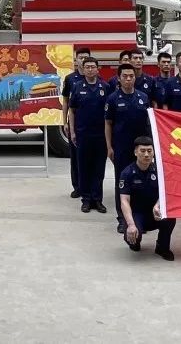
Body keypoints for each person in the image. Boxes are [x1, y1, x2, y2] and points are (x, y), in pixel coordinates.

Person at [104, 63, 152, 234]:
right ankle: (122, 219)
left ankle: (139, 218)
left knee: (142, 182)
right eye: (125, 76)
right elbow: (108, 124)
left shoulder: (143, 97)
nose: (128, 79)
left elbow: (148, 123)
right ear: (119, 78)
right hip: (121, 148)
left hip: (141, 149)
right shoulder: (112, 99)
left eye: (131, 76)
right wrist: (109, 147)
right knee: (122, 182)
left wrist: (150, 147)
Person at [119, 136, 176, 261]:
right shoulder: (127, 173)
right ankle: (134, 241)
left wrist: (158, 205)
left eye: (149, 151)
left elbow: (165, 192)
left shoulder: (159, 171)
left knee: (170, 217)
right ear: (135, 152)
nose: (146, 154)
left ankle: (162, 247)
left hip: (154, 213)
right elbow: (124, 201)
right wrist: (131, 225)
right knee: (134, 238)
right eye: (142, 151)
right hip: (136, 214)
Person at [69, 56, 109, 214]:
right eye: (88, 67)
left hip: (100, 135)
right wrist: (72, 131)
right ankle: (86, 199)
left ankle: (97, 199)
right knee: (84, 168)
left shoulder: (105, 87)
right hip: (83, 134)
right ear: (83, 69)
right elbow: (72, 111)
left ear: (98, 69)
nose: (90, 69)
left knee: (99, 168)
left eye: (93, 67)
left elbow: (109, 114)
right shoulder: (77, 87)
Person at [61, 46, 91, 199]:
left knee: (91, 157)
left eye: (86, 57)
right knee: (76, 157)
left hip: (91, 124)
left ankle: (90, 187)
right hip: (75, 123)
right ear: (76, 60)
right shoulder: (70, 79)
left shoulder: (95, 78)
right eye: (81, 58)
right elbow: (66, 101)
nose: (83, 60)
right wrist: (65, 122)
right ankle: (77, 187)